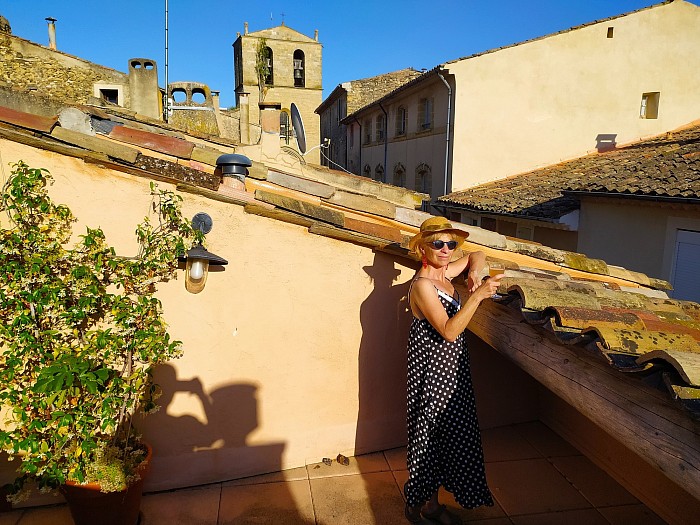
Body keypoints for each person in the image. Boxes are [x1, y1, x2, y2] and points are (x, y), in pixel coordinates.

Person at [403, 216, 503, 525]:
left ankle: (432, 506)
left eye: (451, 244)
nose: (446, 250)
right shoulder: (422, 285)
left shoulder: (445, 271)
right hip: (433, 374)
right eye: (438, 244)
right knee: (432, 437)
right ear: (423, 246)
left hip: (452, 370)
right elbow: (449, 330)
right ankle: (419, 505)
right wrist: (477, 295)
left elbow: (477, 255)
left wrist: (473, 272)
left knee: (451, 436)